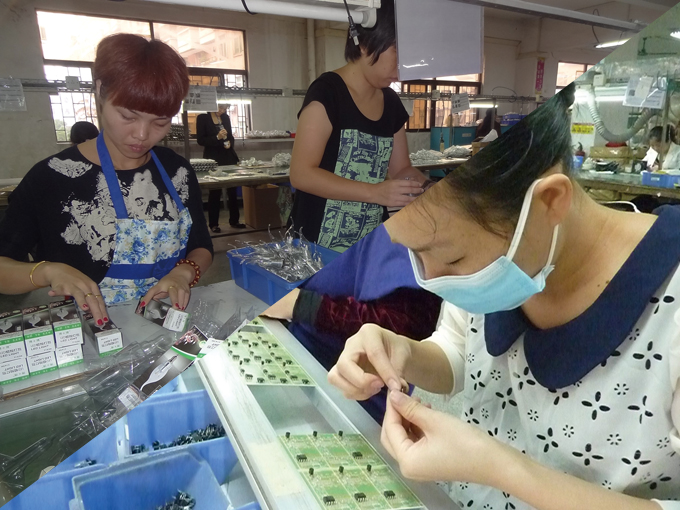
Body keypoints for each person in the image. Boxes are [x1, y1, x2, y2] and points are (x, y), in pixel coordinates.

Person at [328, 83, 680, 509]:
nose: (433, 280)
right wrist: (404, 353)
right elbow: (462, 352)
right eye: (415, 255)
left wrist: (501, 469)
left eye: (453, 259)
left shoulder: (669, 311)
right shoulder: (504, 256)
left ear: (549, 202)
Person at [0, 34, 213, 324]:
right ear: (99, 90)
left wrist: (184, 272)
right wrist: (47, 271)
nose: (141, 135)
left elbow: (200, 245)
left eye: (160, 122)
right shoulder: (52, 177)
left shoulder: (176, 171)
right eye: (128, 116)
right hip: (86, 335)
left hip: (165, 325)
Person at [262, 224, 442, 422]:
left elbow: (405, 328)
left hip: (358, 400)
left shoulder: (405, 230)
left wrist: (302, 305)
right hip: (294, 350)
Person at [288, 0, 429, 253]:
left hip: (367, 242)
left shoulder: (391, 102)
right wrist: (375, 193)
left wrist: (428, 188)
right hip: (316, 243)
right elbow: (301, 174)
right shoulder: (328, 93)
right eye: (398, 52)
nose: (402, 68)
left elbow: (401, 169)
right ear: (364, 44)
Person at [195, 104, 246, 231]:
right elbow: (201, 140)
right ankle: (213, 224)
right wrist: (217, 138)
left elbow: (230, 136)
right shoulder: (203, 118)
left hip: (228, 156)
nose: (221, 112)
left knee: (232, 190)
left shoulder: (226, 118)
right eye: (219, 108)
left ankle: (234, 220)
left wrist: (229, 143)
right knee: (215, 191)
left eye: (224, 109)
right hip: (213, 158)